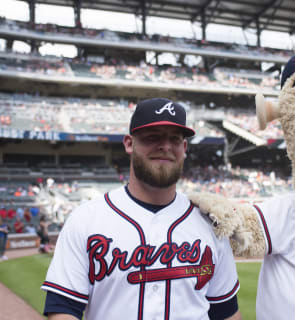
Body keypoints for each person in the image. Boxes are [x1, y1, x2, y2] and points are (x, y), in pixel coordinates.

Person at [41, 98, 241, 320]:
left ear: (184, 148)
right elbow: (63, 310)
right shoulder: (87, 219)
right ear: (129, 143)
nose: (165, 146)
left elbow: (226, 312)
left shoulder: (211, 223)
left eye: (174, 139)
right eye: (152, 137)